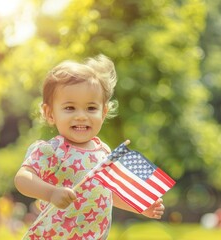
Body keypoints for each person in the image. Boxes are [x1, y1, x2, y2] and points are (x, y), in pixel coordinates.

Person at [14, 54, 165, 239]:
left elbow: (108, 193)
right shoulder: (52, 150)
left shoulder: (104, 152)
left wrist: (140, 206)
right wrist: (51, 193)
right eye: (70, 108)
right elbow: (22, 179)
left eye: (91, 108)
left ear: (104, 112)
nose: (81, 116)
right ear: (50, 113)